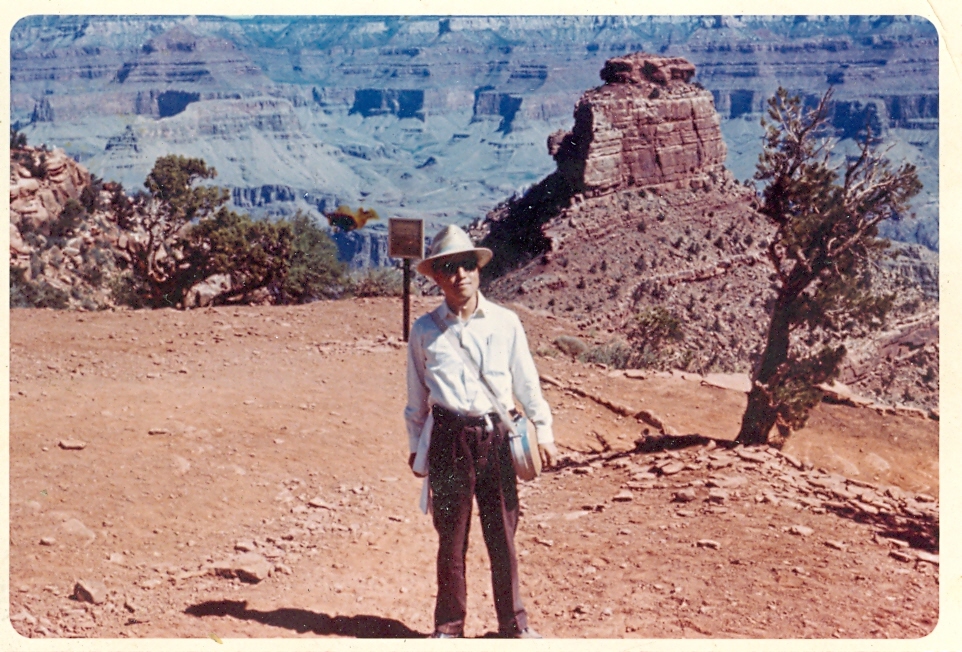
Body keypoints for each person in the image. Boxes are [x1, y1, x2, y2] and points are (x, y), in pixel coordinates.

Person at [404, 224, 558, 639]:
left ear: (478, 270)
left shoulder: (506, 324)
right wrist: (417, 451)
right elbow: (417, 400)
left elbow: (527, 384)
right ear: (437, 276)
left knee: (502, 535)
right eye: (450, 267)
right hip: (449, 439)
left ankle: (514, 626)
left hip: (498, 438)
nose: (460, 276)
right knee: (451, 541)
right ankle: (448, 628)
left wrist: (543, 433)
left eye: (467, 265)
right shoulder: (424, 331)